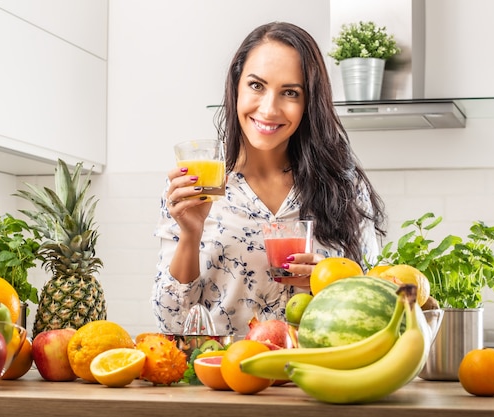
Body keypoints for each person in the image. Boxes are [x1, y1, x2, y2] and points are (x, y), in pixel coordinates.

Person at [152, 21, 386, 337]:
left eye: (290, 92)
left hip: (319, 377)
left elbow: (377, 311)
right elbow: (172, 324)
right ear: (236, 86)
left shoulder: (343, 187)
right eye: (256, 85)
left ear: (308, 103)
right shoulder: (194, 186)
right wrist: (190, 235)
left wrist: (331, 281)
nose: (269, 108)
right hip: (227, 377)